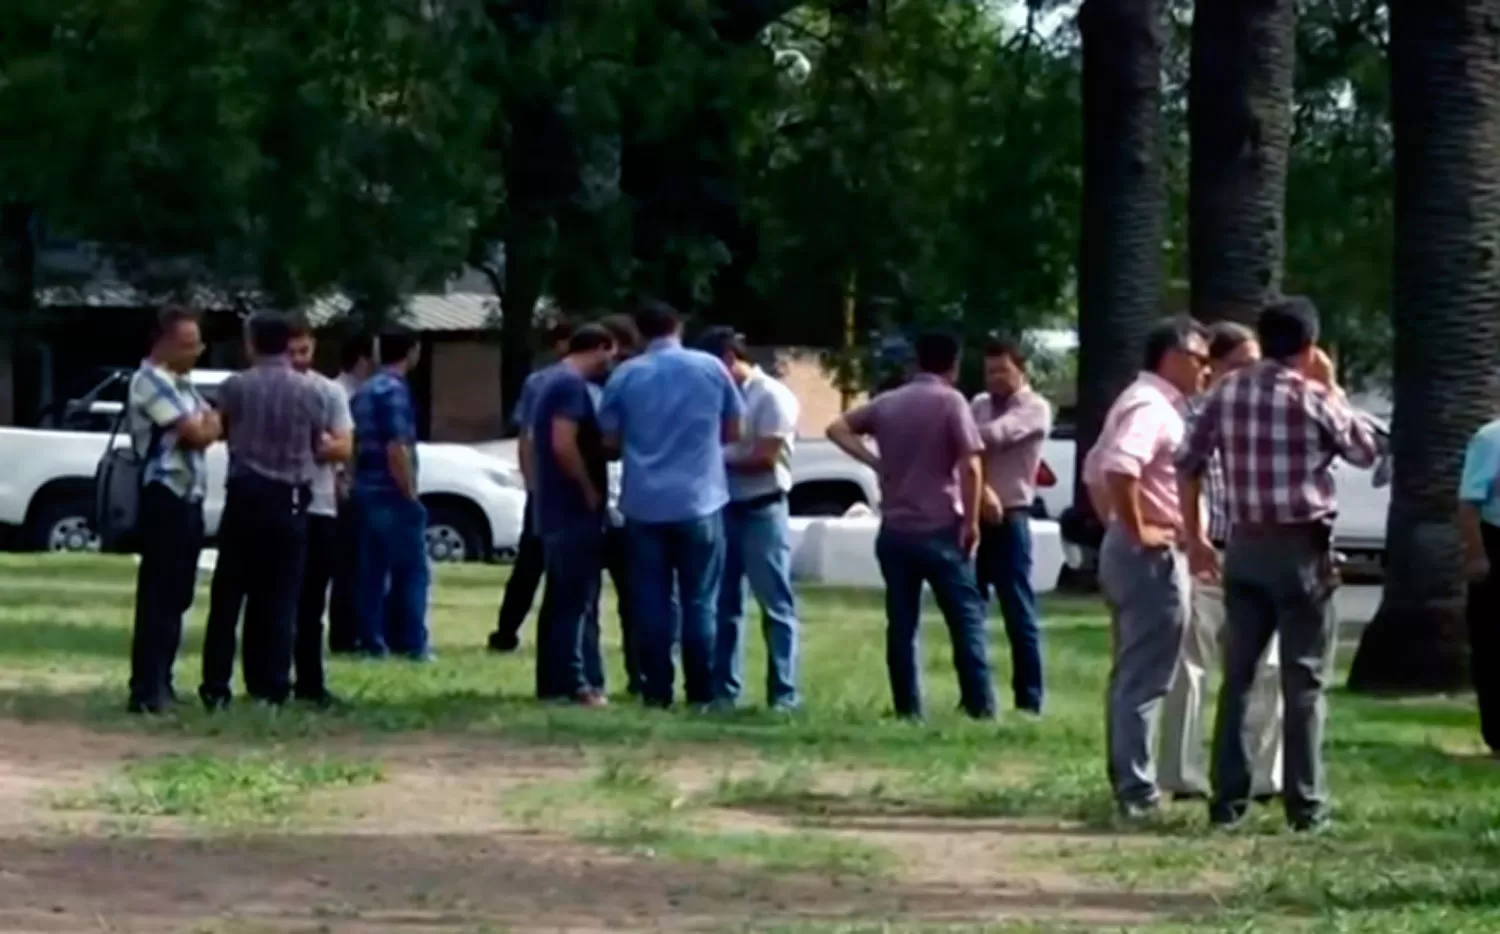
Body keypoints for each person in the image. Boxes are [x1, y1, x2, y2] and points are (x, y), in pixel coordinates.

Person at [1178, 296, 1382, 831]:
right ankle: (1306, 806)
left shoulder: (1225, 393)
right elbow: (1366, 451)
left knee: (1239, 678)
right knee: (1304, 680)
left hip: (1243, 545)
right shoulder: (1313, 397)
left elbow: (1189, 463)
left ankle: (1228, 803)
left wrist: (1196, 536)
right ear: (1310, 346)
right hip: (1301, 548)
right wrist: (1332, 384)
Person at [826, 331, 995, 721]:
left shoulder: (889, 402)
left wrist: (873, 462)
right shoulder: (951, 402)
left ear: (916, 361)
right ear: (953, 365)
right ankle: (978, 703)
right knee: (964, 618)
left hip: (895, 528)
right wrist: (971, 521)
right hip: (940, 526)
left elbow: (837, 428)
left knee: (901, 623)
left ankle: (908, 706)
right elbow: (970, 464)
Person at [1083, 315, 1208, 817]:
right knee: (1146, 677)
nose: (1204, 368)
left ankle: (1131, 780)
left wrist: (1117, 525)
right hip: (1150, 553)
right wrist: (1138, 529)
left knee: (1134, 671)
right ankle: (1137, 791)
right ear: (1171, 356)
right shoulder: (1152, 407)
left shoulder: (1141, 401)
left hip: (1133, 547)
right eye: (1197, 358)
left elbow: (1095, 470)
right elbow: (1118, 467)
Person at [1158, 322, 1284, 802]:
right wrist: (1192, 540)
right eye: (1241, 366)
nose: (1253, 375)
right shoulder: (1194, 414)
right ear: (1214, 367)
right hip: (1210, 552)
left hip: (1256, 552)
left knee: (1268, 667)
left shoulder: (1273, 411)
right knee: (1190, 664)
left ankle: (1265, 776)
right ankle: (1179, 771)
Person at [598, 300, 743, 709]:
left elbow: (608, 441)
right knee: (701, 600)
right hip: (701, 499)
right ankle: (701, 691)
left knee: (651, 601)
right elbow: (734, 430)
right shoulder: (711, 368)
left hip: (644, 504)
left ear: (639, 333)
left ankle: (656, 689)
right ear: (678, 327)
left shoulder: (626, 375)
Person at [199, 313, 335, 710]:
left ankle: (216, 684)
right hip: (290, 498)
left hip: (245, 494)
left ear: (252, 343)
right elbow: (319, 444)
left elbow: (221, 428)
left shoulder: (236, 386)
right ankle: (272, 685)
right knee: (281, 597)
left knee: (229, 595)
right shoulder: (313, 392)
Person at [699, 327, 802, 711]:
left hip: (763, 506)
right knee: (725, 605)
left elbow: (765, 456)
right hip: (726, 506)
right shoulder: (721, 397)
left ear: (729, 358)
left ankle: (784, 693)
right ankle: (725, 691)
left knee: (775, 604)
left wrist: (711, 460)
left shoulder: (773, 396)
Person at [126, 306, 220, 714]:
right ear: (162, 343)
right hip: (165, 494)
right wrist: (204, 424)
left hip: (189, 496)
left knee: (179, 593)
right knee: (160, 594)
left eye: (197, 342)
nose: (195, 351)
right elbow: (199, 433)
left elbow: (212, 423)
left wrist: (205, 424)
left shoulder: (183, 385)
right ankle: (147, 687)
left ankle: (162, 679)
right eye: (186, 343)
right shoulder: (150, 381)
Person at [530, 324, 619, 705]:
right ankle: (576, 681)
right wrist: (587, 488)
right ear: (600, 348)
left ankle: (552, 682)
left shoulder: (549, 381)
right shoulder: (570, 385)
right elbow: (563, 443)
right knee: (575, 598)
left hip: (553, 503)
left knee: (559, 598)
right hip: (571, 506)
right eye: (611, 355)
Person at [970, 335, 1052, 715]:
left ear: (1021, 370)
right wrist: (982, 490)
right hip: (975, 513)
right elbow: (969, 449)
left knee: (1018, 610)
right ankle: (975, 697)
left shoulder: (1035, 408)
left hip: (1011, 516)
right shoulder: (979, 404)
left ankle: (1029, 700)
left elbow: (986, 439)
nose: (995, 378)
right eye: (990, 371)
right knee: (970, 609)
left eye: (1003, 370)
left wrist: (958, 438)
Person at [490, 319, 575, 653]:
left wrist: (533, 483)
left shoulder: (538, 382)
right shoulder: (546, 382)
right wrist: (532, 481)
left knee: (531, 563)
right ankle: (514, 630)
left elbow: (526, 437)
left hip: (545, 487)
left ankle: (507, 630)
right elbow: (527, 437)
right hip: (555, 486)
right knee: (536, 563)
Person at [350, 332, 430, 660]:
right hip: (390, 490)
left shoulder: (364, 391)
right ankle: (411, 641)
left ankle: (372, 638)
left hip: (365, 488)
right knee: (411, 570)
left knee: (371, 571)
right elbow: (397, 446)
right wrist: (409, 491)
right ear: (412, 353)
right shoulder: (395, 392)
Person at [287, 322, 355, 706]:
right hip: (282, 502)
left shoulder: (328, 391)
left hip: (320, 504)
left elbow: (343, 447)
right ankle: (271, 677)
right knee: (276, 599)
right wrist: (320, 443)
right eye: (291, 352)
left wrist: (324, 445)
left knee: (312, 601)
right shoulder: (269, 389)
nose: (298, 360)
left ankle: (310, 681)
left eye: (304, 351)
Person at [597, 312, 646, 695]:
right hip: (630, 503)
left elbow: (609, 445)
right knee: (637, 599)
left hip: (617, 502)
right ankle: (640, 673)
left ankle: (627, 673)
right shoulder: (642, 379)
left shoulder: (618, 382)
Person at [328, 333, 375, 654]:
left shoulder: (352, 392)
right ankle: (346, 635)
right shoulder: (341, 394)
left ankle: (354, 629)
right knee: (347, 566)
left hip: (353, 486)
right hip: (342, 488)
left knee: (357, 564)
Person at [1459, 413, 1500, 757]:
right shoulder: (1491, 438)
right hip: (1495, 538)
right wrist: (1476, 554)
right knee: (1491, 641)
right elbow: (1470, 503)